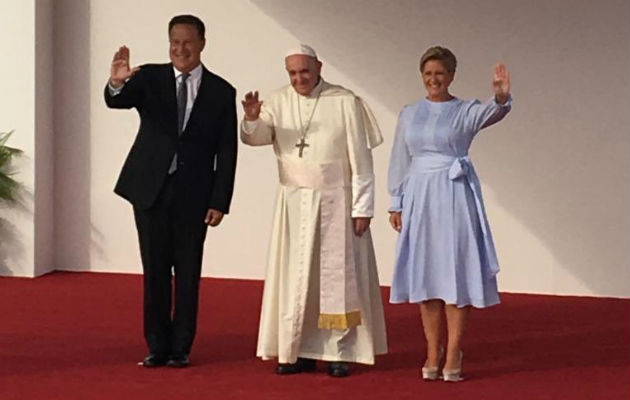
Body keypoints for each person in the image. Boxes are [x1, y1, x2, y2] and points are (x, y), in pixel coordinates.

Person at [241, 44, 387, 378]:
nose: (298, 79)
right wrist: (251, 119)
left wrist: (363, 207)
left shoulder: (344, 101)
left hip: (336, 200)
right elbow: (257, 138)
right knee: (295, 276)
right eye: (292, 73)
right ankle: (296, 349)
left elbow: (362, 161)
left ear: (318, 67)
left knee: (335, 279)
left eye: (304, 72)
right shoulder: (278, 100)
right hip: (293, 204)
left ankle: (338, 351)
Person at [104, 15, 237, 368]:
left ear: (202, 43)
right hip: (150, 190)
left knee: (189, 273)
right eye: (174, 42)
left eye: (188, 42)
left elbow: (226, 152)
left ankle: (181, 348)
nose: (181, 49)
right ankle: (156, 346)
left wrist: (219, 200)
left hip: (195, 197)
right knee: (155, 270)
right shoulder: (150, 77)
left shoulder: (222, 91)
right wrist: (116, 83)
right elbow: (116, 101)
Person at [387, 46, 511, 382]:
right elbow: (400, 157)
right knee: (426, 273)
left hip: (454, 194)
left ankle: (454, 348)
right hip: (419, 197)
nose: (433, 80)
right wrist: (396, 201)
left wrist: (499, 98)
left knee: (455, 270)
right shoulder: (409, 113)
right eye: (427, 74)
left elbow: (493, 112)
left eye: (439, 73)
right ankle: (432, 348)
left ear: (451, 76)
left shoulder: (464, 110)